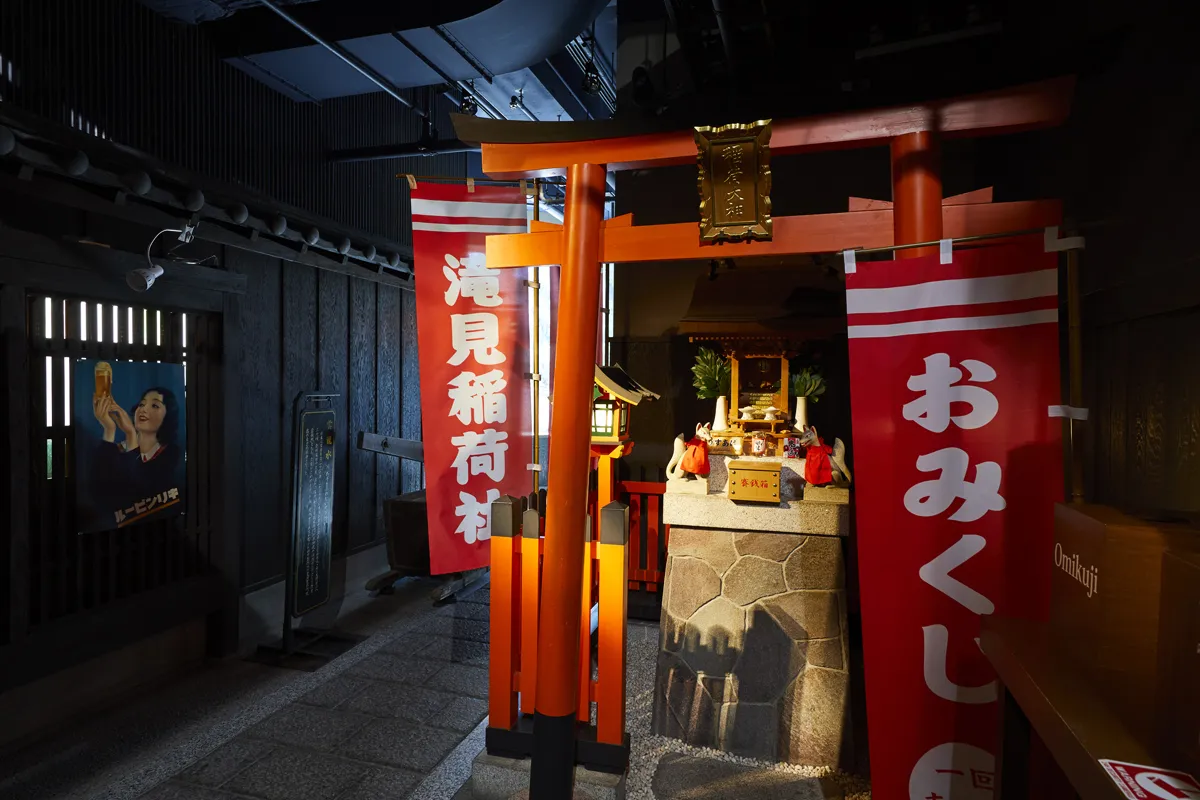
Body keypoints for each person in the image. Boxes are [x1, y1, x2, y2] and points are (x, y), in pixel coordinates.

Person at [91, 387, 184, 521]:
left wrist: (131, 434)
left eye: (154, 405)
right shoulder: (116, 450)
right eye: (142, 404)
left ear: (168, 416)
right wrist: (109, 429)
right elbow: (97, 491)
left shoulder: (171, 453)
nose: (143, 409)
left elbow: (139, 487)